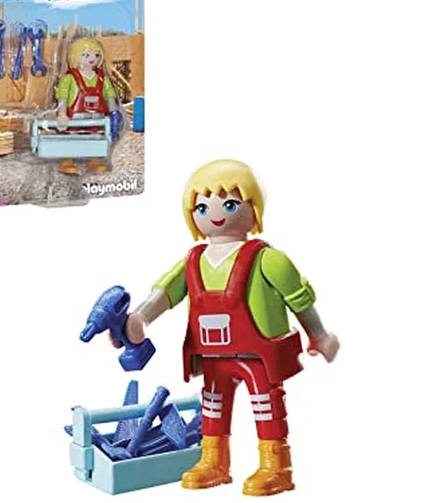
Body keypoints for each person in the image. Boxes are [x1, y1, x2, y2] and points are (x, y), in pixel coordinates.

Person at [118, 159, 339, 496]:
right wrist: (140, 318)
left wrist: (319, 335)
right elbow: (165, 293)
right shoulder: (193, 261)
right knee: (212, 407)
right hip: (213, 355)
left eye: (231, 204)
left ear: (254, 208)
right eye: (202, 207)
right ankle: (214, 461)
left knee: (266, 406)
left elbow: (299, 299)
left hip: (258, 355)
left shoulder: (268, 259)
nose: (216, 214)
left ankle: (276, 466)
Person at [54, 38, 122, 174]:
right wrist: (61, 114)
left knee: (96, 138)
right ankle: (66, 160)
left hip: (97, 119)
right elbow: (62, 97)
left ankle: (94, 160)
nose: (92, 59)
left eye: (96, 55)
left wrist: (113, 113)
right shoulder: (69, 78)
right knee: (71, 138)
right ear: (75, 56)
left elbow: (110, 96)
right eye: (86, 55)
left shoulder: (103, 79)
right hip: (74, 120)